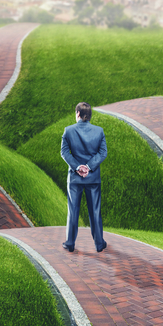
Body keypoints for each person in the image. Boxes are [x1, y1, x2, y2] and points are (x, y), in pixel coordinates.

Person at [60, 102, 108, 253]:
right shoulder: (99, 131)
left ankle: (70, 243)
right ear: (89, 115)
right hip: (93, 178)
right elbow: (103, 153)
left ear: (78, 114)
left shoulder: (68, 130)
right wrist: (89, 167)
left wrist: (78, 167)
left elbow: (64, 152)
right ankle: (99, 244)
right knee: (95, 211)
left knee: (73, 210)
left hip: (74, 179)